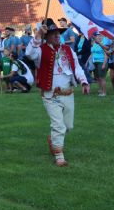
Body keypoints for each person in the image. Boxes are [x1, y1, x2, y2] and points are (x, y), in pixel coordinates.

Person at [26, 18, 89, 167]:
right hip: (51, 95)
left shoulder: (68, 49)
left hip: (68, 93)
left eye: (57, 33)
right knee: (58, 126)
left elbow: (77, 67)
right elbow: (29, 53)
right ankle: (59, 156)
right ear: (46, 35)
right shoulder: (40, 50)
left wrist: (84, 81)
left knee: (68, 126)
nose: (56, 36)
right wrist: (37, 35)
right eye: (53, 33)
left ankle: (53, 139)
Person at [90, 31, 110, 97]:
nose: (98, 36)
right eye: (97, 35)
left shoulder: (104, 43)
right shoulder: (94, 43)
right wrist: (88, 62)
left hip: (101, 62)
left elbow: (106, 54)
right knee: (98, 78)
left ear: (103, 36)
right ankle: (100, 90)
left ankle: (104, 92)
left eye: (100, 35)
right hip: (95, 62)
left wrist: (104, 64)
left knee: (102, 78)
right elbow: (92, 52)